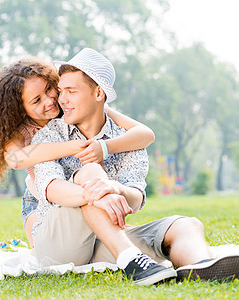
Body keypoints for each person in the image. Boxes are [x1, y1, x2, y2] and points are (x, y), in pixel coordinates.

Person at [31, 47, 239, 285]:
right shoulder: (49, 136)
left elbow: (135, 198)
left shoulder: (126, 140)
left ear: (98, 93)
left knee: (186, 224)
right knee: (90, 173)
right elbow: (51, 188)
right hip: (58, 248)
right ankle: (130, 258)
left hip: (104, 241)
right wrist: (99, 192)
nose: (62, 100)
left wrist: (116, 190)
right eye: (61, 91)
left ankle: (200, 267)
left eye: (70, 91)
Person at [0, 57, 155, 248]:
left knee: (105, 240)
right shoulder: (23, 131)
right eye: (36, 100)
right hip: (40, 201)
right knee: (47, 253)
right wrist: (78, 146)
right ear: (20, 109)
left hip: (82, 187)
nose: (50, 100)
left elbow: (145, 134)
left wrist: (105, 147)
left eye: (48, 89)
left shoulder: (72, 106)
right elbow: (15, 159)